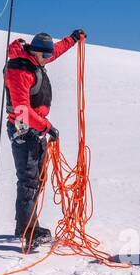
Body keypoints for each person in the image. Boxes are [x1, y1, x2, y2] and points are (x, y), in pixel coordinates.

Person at [5, 29, 84, 250]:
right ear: (37, 52)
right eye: (46, 56)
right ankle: (28, 232)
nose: (49, 59)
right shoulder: (20, 70)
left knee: (37, 181)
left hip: (36, 129)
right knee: (29, 182)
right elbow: (21, 111)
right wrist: (48, 127)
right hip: (23, 131)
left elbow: (55, 50)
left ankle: (25, 224)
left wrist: (73, 38)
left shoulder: (36, 58)